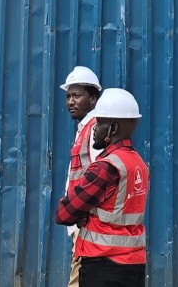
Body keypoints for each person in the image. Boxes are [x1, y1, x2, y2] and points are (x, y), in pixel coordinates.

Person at [55, 88, 148, 287]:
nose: (94, 128)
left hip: (104, 266)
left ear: (113, 129)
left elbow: (64, 213)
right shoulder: (138, 164)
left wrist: (83, 215)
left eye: (99, 123)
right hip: (134, 265)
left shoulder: (105, 167)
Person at [60, 66, 102, 287]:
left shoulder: (96, 130)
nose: (70, 102)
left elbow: (100, 179)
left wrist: (81, 211)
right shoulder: (85, 129)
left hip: (88, 223)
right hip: (81, 222)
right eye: (68, 96)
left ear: (93, 99)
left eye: (77, 96)